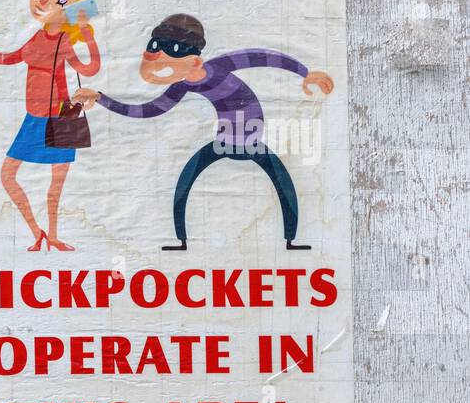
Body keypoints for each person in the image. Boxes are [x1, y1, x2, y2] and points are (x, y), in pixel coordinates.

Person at [75, 13, 334, 250]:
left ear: (195, 60)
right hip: (223, 141)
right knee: (185, 185)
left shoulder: (218, 66)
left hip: (252, 140)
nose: (157, 65)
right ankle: (182, 240)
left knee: (283, 184)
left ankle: (290, 240)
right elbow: (149, 110)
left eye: (166, 60)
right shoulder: (182, 86)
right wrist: (101, 98)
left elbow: (262, 56)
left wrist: (305, 73)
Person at [0, 0, 101, 251]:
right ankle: (37, 233)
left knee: (55, 185)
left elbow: (88, 69)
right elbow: (1, 57)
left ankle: (53, 235)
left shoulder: (63, 41)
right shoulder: (35, 38)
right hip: (34, 118)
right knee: (7, 175)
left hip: (60, 118)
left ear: (73, 8)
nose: (43, 1)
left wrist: (88, 36)